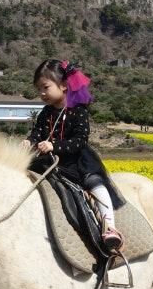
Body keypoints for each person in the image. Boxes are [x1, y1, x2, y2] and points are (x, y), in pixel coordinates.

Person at [21, 59, 124, 250]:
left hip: (77, 160)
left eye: (45, 87)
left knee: (95, 184)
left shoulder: (78, 111)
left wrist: (54, 146)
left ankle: (110, 227)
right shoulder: (45, 112)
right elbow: (37, 132)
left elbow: (80, 140)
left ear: (63, 85)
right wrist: (30, 141)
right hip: (49, 161)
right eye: (39, 89)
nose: (41, 93)